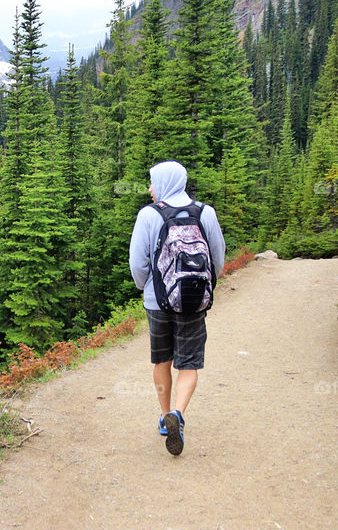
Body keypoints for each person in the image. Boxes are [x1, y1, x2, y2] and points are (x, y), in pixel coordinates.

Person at [128, 161, 225, 456]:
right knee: (189, 363)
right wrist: (203, 286)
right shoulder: (205, 212)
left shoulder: (148, 214)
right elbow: (218, 258)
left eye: (152, 182)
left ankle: (164, 416)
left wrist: (147, 288)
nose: (150, 188)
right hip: (193, 302)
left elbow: (137, 264)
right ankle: (178, 415)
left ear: (164, 183)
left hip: (157, 302)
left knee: (162, 361)